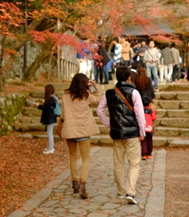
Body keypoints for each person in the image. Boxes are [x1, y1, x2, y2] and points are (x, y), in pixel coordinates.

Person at [97, 65, 146, 204]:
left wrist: (108, 124)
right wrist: (142, 131)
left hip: (117, 133)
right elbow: (139, 114)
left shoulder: (109, 93)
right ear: (129, 77)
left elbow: (99, 111)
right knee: (134, 163)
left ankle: (121, 190)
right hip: (132, 134)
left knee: (118, 163)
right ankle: (130, 191)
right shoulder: (134, 93)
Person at [60, 73, 102, 199]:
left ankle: (75, 183)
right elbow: (98, 100)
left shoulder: (65, 96)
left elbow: (63, 115)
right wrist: (94, 87)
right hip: (83, 130)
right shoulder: (86, 95)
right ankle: (83, 184)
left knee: (73, 157)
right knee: (86, 158)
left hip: (70, 130)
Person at [131, 66, 155, 160]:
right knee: (149, 134)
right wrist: (152, 98)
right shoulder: (147, 79)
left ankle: (144, 153)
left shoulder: (136, 80)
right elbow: (151, 90)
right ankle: (149, 152)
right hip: (147, 106)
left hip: (139, 105)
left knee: (143, 134)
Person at [37, 84, 58, 153]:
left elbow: (47, 108)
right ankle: (50, 147)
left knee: (49, 133)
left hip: (50, 118)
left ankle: (51, 148)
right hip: (50, 117)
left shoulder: (51, 98)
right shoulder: (51, 98)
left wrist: (39, 106)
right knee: (49, 132)